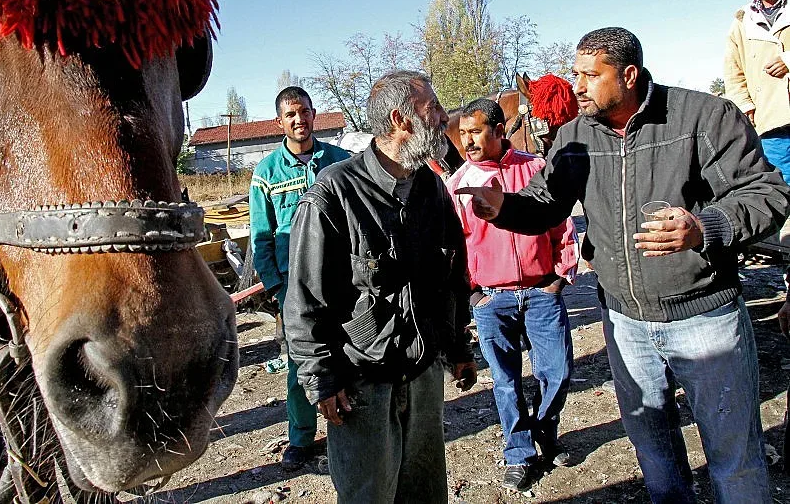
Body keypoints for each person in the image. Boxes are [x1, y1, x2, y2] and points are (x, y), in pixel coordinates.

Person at [455, 27, 790, 504]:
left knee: (733, 455)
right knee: (655, 453)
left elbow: (767, 193)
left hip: (705, 317)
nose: (577, 86)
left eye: (591, 76)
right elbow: (546, 203)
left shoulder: (703, 117)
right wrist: (503, 206)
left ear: (629, 75)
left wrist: (704, 226)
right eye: (576, 74)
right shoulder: (573, 137)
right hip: (624, 321)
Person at [283, 71, 478, 503]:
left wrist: (458, 347)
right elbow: (303, 301)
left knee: (424, 493)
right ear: (400, 119)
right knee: (367, 495)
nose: (445, 117)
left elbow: (452, 278)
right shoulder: (334, 194)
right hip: (360, 385)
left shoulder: (431, 189)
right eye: (434, 108)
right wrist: (322, 380)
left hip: (424, 375)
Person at [446, 97, 579, 491]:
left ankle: (545, 430)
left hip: (542, 292)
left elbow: (562, 228)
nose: (467, 141)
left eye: (476, 132)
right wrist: (473, 297)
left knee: (557, 372)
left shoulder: (537, 169)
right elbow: (455, 249)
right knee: (505, 382)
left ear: (500, 130)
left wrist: (559, 278)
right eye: (463, 134)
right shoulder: (457, 187)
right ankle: (518, 452)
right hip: (492, 299)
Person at [249, 86, 349, 471]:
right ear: (280, 122)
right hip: (294, 289)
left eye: (305, 112)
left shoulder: (339, 162)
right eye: (291, 114)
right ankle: (301, 438)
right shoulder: (266, 173)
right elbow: (261, 236)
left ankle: (348, 422)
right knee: (300, 364)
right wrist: (277, 288)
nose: (299, 120)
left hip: (341, 281)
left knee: (347, 352)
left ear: (314, 115)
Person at [724, 0, 790, 183]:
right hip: (772, 116)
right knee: (780, 181)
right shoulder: (743, 21)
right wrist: (745, 106)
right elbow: (734, 71)